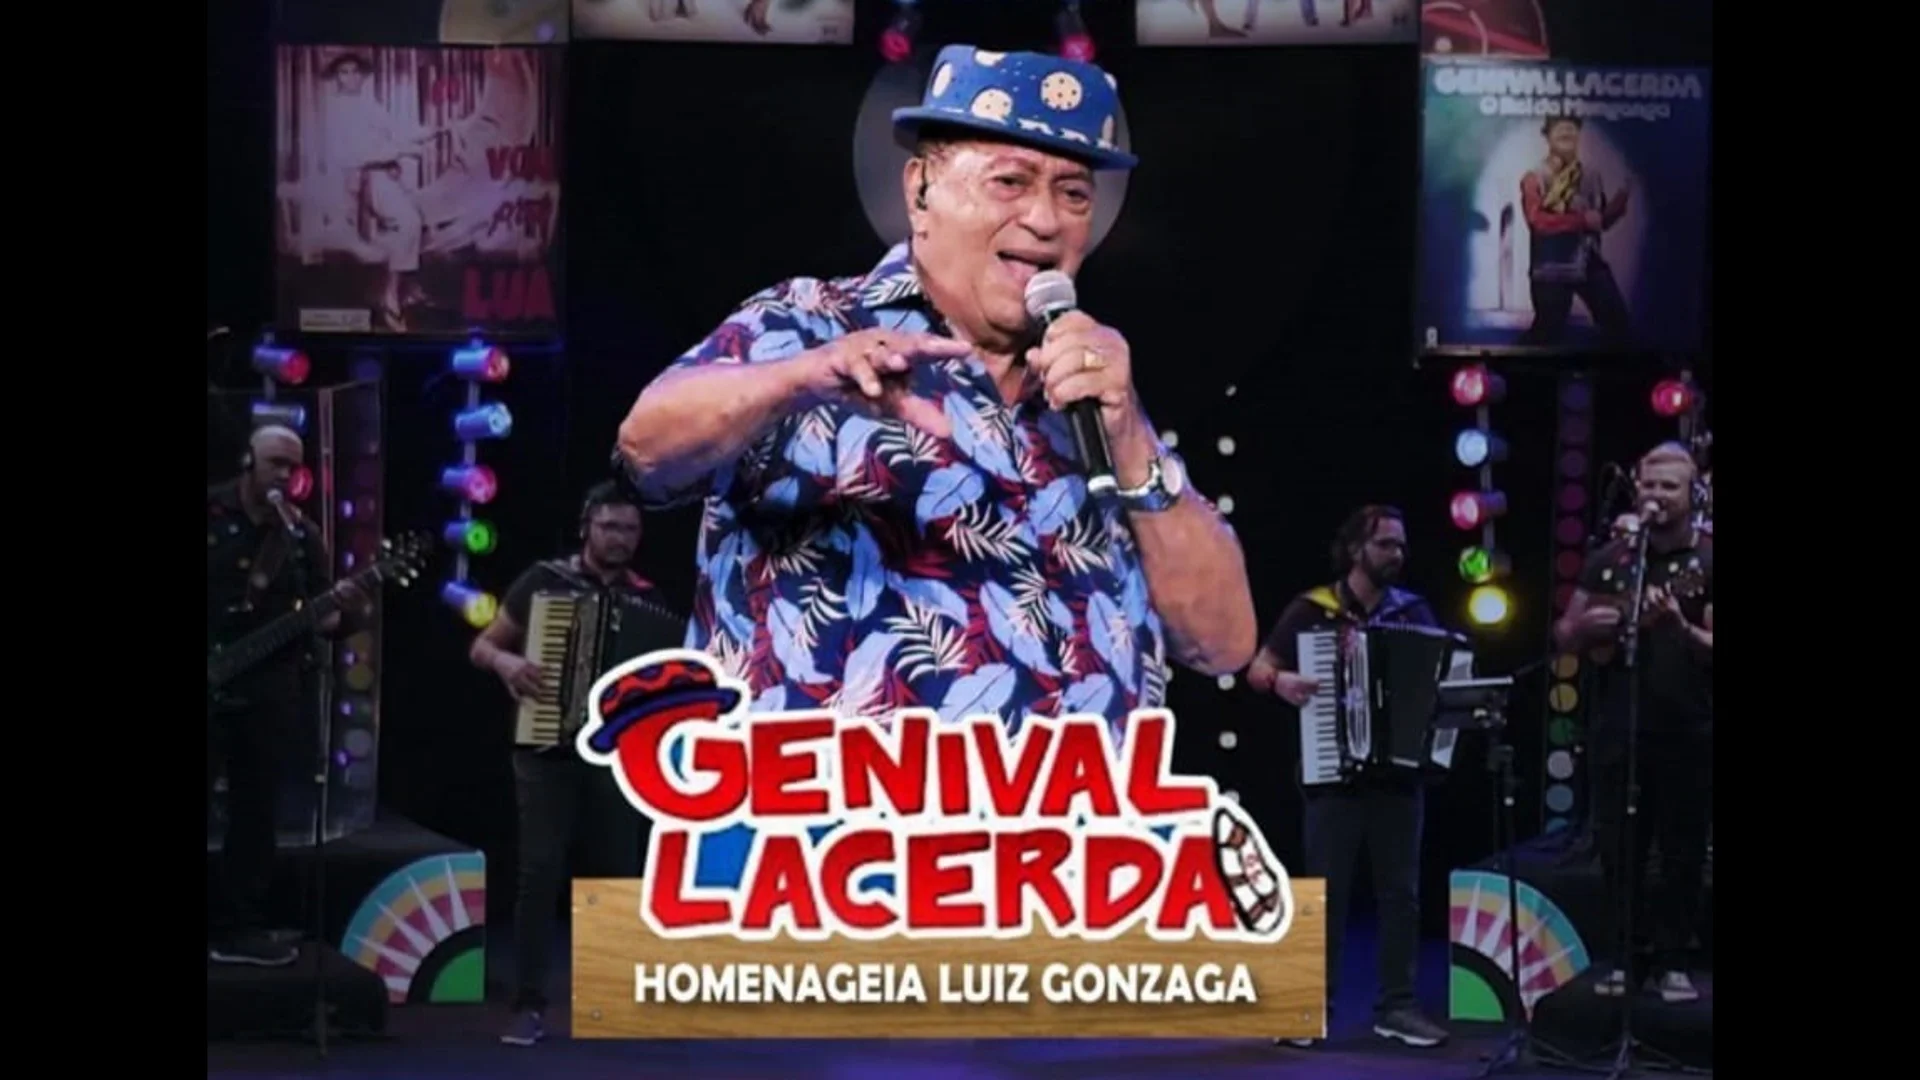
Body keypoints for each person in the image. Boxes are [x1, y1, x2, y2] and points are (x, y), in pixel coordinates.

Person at [615, 44, 1255, 731]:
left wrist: (1129, 440)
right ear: (920, 191)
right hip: (832, 798)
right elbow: (642, 453)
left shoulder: (1093, 395)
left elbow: (1222, 644)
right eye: (1010, 181)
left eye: (1073, 193)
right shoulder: (809, 323)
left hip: (1078, 803)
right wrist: (799, 381)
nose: (1046, 219)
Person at [1245, 505, 1451, 1048]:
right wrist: (1282, 683)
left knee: (1401, 896)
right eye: (1386, 544)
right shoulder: (1312, 610)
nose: (1397, 555)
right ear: (1357, 549)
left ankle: (1398, 1007)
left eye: (1401, 545)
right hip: (1333, 772)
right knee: (1325, 895)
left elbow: (1440, 679)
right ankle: (1311, 1009)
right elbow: (1258, 668)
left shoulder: (1414, 611)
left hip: (1398, 777)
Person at [469, 482, 664, 1047]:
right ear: (586, 528)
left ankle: (612, 998)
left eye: (630, 530)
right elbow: (483, 647)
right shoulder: (544, 581)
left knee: (617, 872)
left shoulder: (649, 600)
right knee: (539, 870)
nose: (620, 539)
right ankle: (528, 1004)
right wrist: (508, 664)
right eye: (610, 527)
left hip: (615, 757)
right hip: (544, 747)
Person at [1554, 442, 1711, 1004]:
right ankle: (1625, 956)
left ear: (1692, 495)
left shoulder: (1707, 559)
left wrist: (1680, 629)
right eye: (1649, 485)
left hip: (1689, 724)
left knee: (1681, 848)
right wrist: (1585, 629)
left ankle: (1673, 960)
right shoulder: (1610, 558)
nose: (1657, 495)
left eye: (1670, 487)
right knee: (1620, 846)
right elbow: (1565, 634)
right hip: (1618, 724)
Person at [206, 425, 361, 966]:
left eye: (291, 467)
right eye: (274, 462)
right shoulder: (212, 512)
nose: (283, 475)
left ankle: (237, 928)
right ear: (248, 459)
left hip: (267, 690)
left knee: (255, 811)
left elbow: (328, 618)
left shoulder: (299, 537)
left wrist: (344, 608)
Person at [1518, 116, 1632, 347]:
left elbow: (1599, 221)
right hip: (1551, 267)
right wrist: (1581, 221)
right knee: (1546, 335)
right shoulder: (1534, 177)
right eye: (1559, 128)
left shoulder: (1591, 175)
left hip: (1588, 261)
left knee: (1618, 326)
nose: (1566, 132)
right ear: (1547, 136)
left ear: (1579, 135)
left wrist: (1619, 204)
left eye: (1571, 128)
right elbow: (1536, 221)